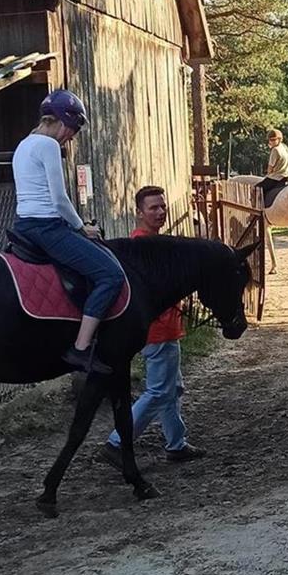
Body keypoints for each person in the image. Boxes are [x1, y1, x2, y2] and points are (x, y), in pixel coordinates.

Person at [11, 90, 124, 375]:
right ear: (62, 121)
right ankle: (81, 347)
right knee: (110, 275)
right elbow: (60, 199)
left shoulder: (23, 144)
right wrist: (80, 227)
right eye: (73, 129)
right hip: (47, 227)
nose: (71, 137)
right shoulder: (48, 145)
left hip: (24, 224)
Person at [101, 186, 204, 465]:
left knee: (172, 388)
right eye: (153, 208)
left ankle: (176, 443)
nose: (160, 212)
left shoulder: (154, 243)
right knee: (159, 390)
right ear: (139, 213)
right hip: (158, 329)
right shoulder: (143, 247)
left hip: (166, 327)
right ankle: (117, 442)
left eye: (162, 206)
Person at [258, 128, 288, 205]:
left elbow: (270, 168)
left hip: (277, 177)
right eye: (269, 140)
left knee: (256, 189)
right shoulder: (285, 147)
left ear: (279, 139)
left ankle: (259, 207)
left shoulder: (275, 150)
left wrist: (268, 174)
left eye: (273, 140)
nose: (270, 142)